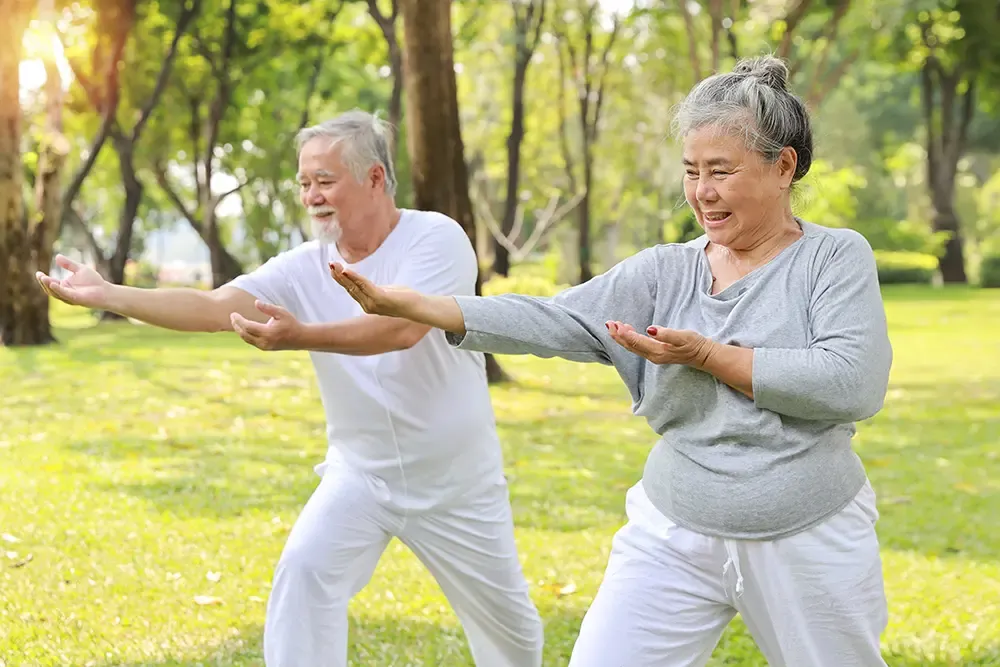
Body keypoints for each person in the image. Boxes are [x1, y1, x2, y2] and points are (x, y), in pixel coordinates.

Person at [330, 57, 894, 667]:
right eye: (691, 172)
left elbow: (850, 383)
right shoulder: (664, 270)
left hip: (806, 532)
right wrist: (428, 306)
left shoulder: (832, 258)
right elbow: (558, 318)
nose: (701, 192)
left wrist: (708, 355)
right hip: (673, 528)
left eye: (721, 172)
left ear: (783, 166)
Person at [35, 110, 544, 667]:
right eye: (304, 182)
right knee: (304, 573)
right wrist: (107, 294)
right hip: (363, 476)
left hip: (456, 481)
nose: (311, 196)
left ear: (375, 178)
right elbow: (211, 307)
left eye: (325, 181)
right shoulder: (305, 265)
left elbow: (402, 327)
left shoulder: (436, 238)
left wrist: (301, 335)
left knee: (512, 640)